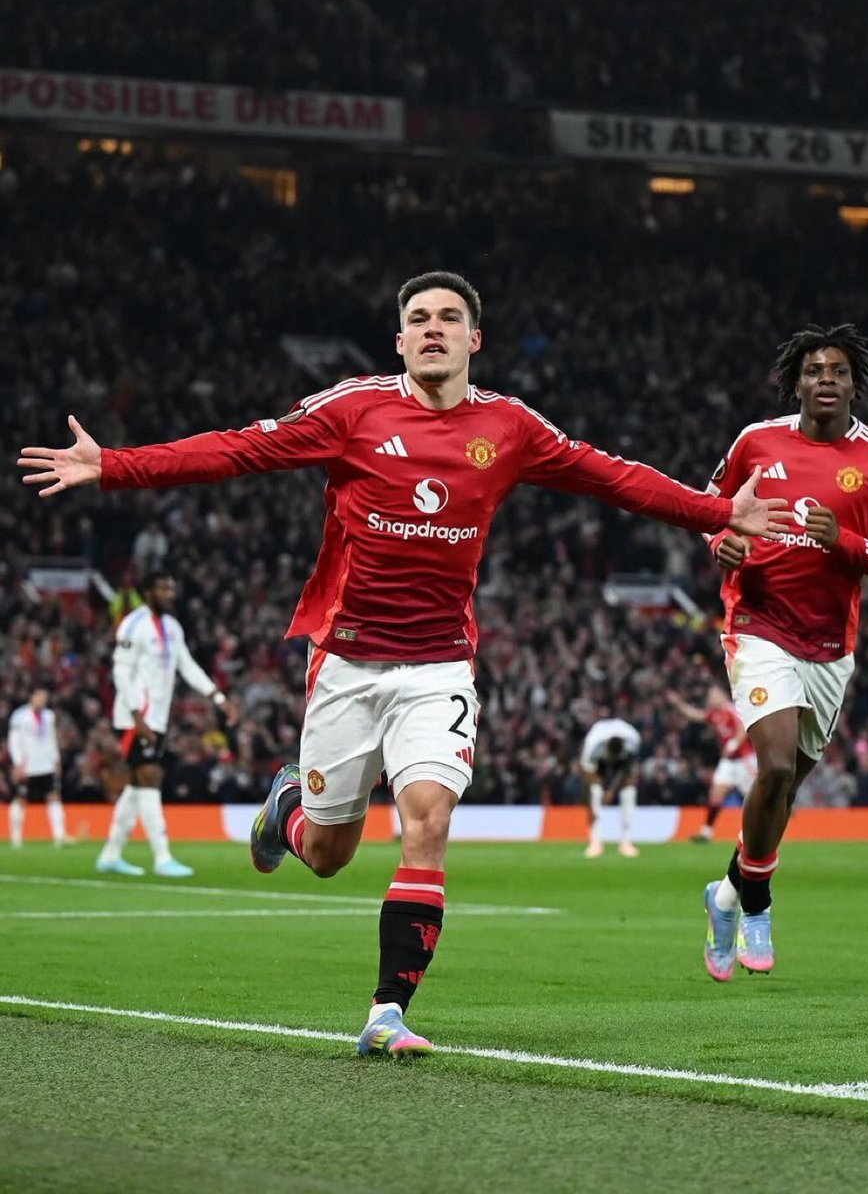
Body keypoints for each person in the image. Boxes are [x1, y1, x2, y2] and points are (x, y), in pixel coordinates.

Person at [20, 270, 791, 1055]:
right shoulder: (352, 409)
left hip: (438, 666)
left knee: (428, 819)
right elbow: (237, 449)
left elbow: (609, 475)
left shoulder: (509, 426)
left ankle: (387, 1011)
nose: (432, 328)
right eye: (418, 318)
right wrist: (115, 465)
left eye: (448, 318)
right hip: (347, 664)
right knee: (328, 855)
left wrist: (717, 511)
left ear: (473, 339)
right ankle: (286, 809)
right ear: (398, 340)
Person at [700, 324, 868, 981]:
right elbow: (710, 508)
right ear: (794, 382)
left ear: (855, 385)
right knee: (771, 767)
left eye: (838, 371)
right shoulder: (755, 442)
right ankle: (757, 903)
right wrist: (721, 543)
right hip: (758, 625)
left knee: (784, 789)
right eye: (814, 370)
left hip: (829, 647)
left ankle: (725, 895)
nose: (826, 379)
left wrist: (843, 541)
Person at [95, 570, 237, 878]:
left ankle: (110, 854)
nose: (169, 594)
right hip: (135, 717)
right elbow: (120, 672)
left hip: (156, 718)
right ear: (148, 592)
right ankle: (162, 857)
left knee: (136, 785)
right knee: (150, 778)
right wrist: (136, 716)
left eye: (171, 588)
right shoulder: (132, 625)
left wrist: (218, 698)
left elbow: (186, 665)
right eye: (163, 589)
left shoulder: (172, 626)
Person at [666, 685, 756, 841]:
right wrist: (679, 704)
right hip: (729, 761)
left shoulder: (731, 709)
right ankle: (706, 832)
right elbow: (696, 715)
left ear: (722, 696)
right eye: (710, 696)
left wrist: (734, 743)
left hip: (745, 759)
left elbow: (743, 727)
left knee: (754, 797)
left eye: (714, 695)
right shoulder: (714, 713)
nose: (710, 698)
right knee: (716, 794)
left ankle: (761, 830)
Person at [6, 687, 69, 848]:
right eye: (39, 697)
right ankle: (16, 837)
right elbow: (14, 741)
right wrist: (18, 763)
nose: (42, 700)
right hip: (27, 765)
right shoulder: (19, 716)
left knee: (54, 796)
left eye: (44, 698)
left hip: (46, 764)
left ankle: (59, 835)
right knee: (20, 799)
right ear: (32, 697)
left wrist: (56, 759)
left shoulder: (49, 716)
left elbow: (52, 739)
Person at [579, 716, 642, 858]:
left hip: (622, 763)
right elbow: (589, 775)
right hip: (599, 764)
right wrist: (602, 792)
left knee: (629, 791)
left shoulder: (633, 741)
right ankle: (595, 842)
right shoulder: (592, 744)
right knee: (595, 792)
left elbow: (628, 773)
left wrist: (611, 791)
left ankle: (626, 842)